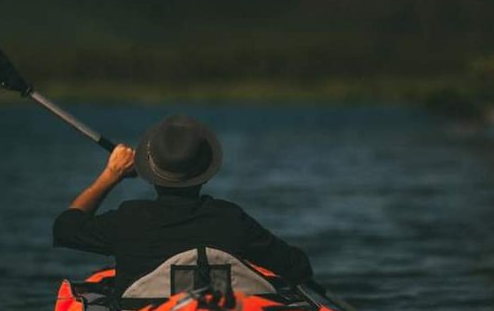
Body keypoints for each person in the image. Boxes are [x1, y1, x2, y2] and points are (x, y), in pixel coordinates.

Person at [52, 114, 315, 299]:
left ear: (149, 173)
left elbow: (65, 228)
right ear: (207, 173)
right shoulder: (230, 219)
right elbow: (298, 267)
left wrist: (112, 174)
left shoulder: (129, 218)